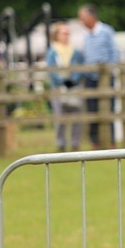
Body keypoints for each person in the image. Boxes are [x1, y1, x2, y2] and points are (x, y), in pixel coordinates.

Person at [77, 4, 120, 149]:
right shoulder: (86, 36)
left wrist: (109, 70)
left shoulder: (106, 31)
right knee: (92, 110)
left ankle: (111, 141)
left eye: (83, 18)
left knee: (108, 109)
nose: (81, 21)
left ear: (92, 16)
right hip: (90, 77)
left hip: (105, 77)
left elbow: (114, 52)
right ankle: (95, 142)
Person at [45, 22, 85, 152]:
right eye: (63, 33)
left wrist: (73, 80)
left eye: (68, 33)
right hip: (58, 88)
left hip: (74, 88)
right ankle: (61, 143)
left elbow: (80, 67)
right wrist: (62, 81)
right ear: (57, 35)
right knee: (60, 118)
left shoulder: (75, 51)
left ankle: (75, 143)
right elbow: (51, 70)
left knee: (77, 117)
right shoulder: (52, 51)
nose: (66, 36)